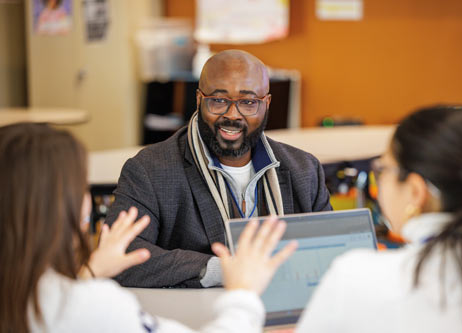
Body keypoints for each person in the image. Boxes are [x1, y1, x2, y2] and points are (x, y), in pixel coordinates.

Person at [0, 123, 297, 333]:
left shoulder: (32, 296)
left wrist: (88, 274)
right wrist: (243, 294)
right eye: (80, 187)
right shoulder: (91, 305)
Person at [104, 49, 332, 288]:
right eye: (219, 100)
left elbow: (331, 250)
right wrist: (222, 270)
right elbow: (118, 254)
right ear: (199, 99)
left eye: (248, 102)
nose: (232, 115)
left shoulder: (304, 170)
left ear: (267, 103)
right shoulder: (149, 170)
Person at [296, 105, 462, 332]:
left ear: (415, 191)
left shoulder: (358, 279)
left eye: (383, 169)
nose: (379, 181)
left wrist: (247, 299)